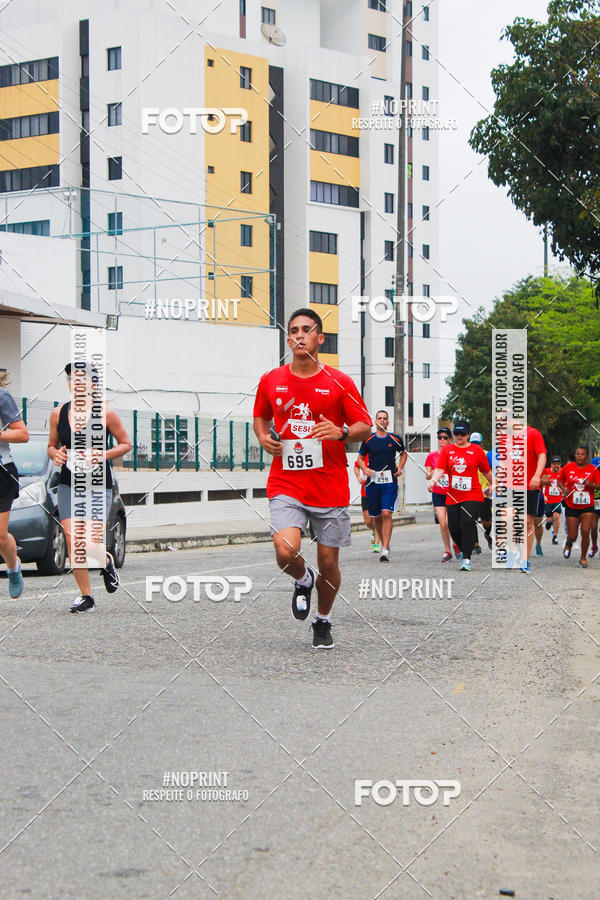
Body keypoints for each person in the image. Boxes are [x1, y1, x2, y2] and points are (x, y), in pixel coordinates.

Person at [253, 308, 372, 649]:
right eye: (294, 330)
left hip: (329, 484)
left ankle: (323, 619)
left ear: (320, 338)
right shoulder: (271, 380)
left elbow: (364, 425)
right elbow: (260, 417)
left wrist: (342, 431)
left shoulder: (339, 382)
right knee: (285, 548)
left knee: (328, 561)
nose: (299, 335)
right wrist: (263, 437)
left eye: (307, 330)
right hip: (286, 481)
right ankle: (303, 580)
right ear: (288, 339)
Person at [47, 363, 132, 612]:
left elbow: (125, 444)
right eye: (72, 379)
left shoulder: (105, 413)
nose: (77, 383)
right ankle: (87, 597)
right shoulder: (58, 413)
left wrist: (103, 454)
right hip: (69, 483)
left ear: (94, 385)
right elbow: (51, 446)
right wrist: (56, 455)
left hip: (97, 484)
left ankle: (105, 561)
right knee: (73, 542)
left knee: (92, 545)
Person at [427, 419, 492, 572]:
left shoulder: (476, 451)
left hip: (473, 494)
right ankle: (463, 549)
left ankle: (467, 558)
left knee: (467, 522)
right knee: (453, 526)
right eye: (456, 433)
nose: (459, 436)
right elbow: (440, 469)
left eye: (462, 433)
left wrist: (493, 484)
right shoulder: (448, 450)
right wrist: (433, 481)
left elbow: (486, 471)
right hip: (453, 495)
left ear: (468, 435)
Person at [356, 411, 406, 562]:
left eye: (385, 419)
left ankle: (385, 548)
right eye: (380, 418)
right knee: (376, 516)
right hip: (373, 482)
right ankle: (383, 539)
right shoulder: (368, 439)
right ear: (375, 421)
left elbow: (403, 453)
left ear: (388, 422)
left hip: (389, 482)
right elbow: (359, 459)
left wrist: (400, 467)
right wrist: (365, 469)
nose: (382, 421)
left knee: (386, 513)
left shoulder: (394, 438)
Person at [0, 374, 29, 598]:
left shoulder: (2, 397)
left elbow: (22, 434)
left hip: (2, 471)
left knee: (0, 537)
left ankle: (12, 567)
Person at [557, 446, 598, 568]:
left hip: (587, 506)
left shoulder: (593, 469)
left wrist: (592, 485)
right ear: (575, 455)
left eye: (582, 454)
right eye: (577, 454)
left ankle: (583, 558)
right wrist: (564, 489)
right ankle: (569, 544)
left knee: (586, 532)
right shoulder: (568, 468)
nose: (579, 456)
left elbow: (599, 485)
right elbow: (560, 481)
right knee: (573, 535)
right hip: (572, 505)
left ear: (586, 456)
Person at [424, 427, 453, 561]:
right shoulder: (432, 456)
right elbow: (427, 475)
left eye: (445, 437)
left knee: (452, 523)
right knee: (443, 523)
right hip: (438, 492)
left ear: (450, 439)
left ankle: (457, 544)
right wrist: (432, 473)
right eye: (440, 437)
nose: (442, 439)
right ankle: (448, 550)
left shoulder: (453, 454)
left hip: (452, 492)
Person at [469, 432, 492, 553]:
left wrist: (492, 484)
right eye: (473, 444)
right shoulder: (467, 454)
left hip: (485, 493)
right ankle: (476, 545)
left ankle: (488, 534)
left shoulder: (487, 454)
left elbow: (492, 470)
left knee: (486, 522)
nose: (476, 446)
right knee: (471, 519)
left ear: (481, 443)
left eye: (478, 444)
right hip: (471, 492)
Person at [353, 454, 382, 553]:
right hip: (365, 491)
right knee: (368, 521)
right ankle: (375, 530)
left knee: (377, 517)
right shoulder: (364, 454)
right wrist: (358, 477)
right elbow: (356, 465)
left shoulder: (381, 454)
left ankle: (377, 544)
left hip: (379, 490)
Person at [541, 456, 563, 546]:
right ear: (551, 465)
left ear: (560, 465)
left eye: (558, 464)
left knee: (556, 516)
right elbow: (541, 482)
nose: (556, 466)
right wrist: (543, 495)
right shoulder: (546, 471)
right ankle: (549, 522)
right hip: (548, 499)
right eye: (554, 464)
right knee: (549, 518)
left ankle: (555, 536)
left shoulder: (562, 472)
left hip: (558, 499)